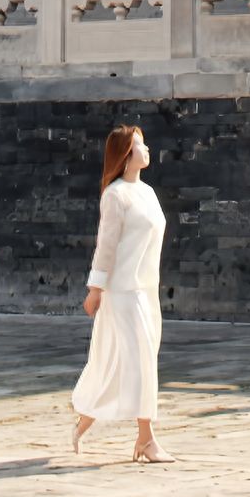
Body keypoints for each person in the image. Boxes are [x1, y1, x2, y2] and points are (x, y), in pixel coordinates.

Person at [72, 123, 174, 463]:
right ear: (127, 155)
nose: (147, 149)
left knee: (122, 361)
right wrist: (95, 289)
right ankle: (146, 439)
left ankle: (85, 419)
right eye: (140, 145)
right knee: (140, 362)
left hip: (146, 289)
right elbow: (107, 246)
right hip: (122, 292)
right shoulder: (115, 195)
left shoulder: (147, 192)